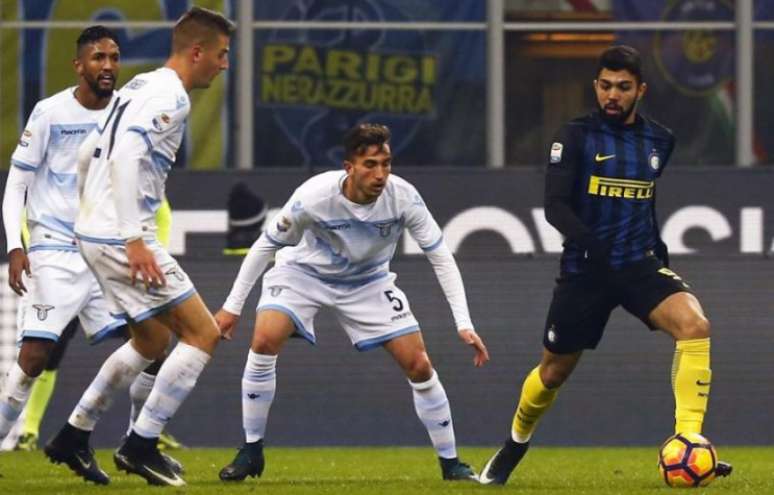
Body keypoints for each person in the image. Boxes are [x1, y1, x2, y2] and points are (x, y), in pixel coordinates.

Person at [478, 45, 733, 485]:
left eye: (623, 87)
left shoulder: (659, 140)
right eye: (605, 86)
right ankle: (513, 445)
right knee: (553, 372)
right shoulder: (574, 137)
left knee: (695, 326)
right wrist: (592, 246)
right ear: (596, 85)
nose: (612, 95)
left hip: (637, 265)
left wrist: (656, 249)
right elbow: (555, 207)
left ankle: (689, 442)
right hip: (586, 271)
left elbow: (645, 200)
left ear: (641, 90)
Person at [214, 123, 490, 483]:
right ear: (349, 167)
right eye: (370, 164)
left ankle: (451, 464)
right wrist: (232, 306)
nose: (381, 174)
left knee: (419, 364)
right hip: (304, 274)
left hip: (368, 281)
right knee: (265, 339)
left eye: (387, 164)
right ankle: (251, 450)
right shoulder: (314, 196)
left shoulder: (403, 197)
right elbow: (266, 246)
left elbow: (440, 256)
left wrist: (463, 323)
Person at [43, 7, 233, 487]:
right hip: (122, 235)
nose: (224, 64)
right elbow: (125, 153)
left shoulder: (140, 85)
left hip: (96, 231)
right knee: (203, 335)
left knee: (151, 341)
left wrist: (87, 212)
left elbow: (92, 150)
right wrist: (131, 235)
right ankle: (140, 444)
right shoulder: (171, 97)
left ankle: (73, 433)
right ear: (197, 52)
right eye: (222, 54)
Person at [0, 25, 180, 470]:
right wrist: (15, 246)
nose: (108, 66)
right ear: (79, 65)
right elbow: (17, 182)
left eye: (115, 57)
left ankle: (133, 444)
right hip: (55, 251)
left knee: (156, 342)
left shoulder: (125, 113)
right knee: (35, 357)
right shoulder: (49, 112)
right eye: (98, 58)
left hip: (103, 250)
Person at [6, 200, 184, 453]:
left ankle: (144, 432)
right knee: (42, 357)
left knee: (152, 344)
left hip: (103, 272)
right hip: (61, 273)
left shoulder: (121, 170)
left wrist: (153, 256)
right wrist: (30, 249)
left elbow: (161, 211)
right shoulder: (55, 171)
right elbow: (27, 207)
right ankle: (29, 432)